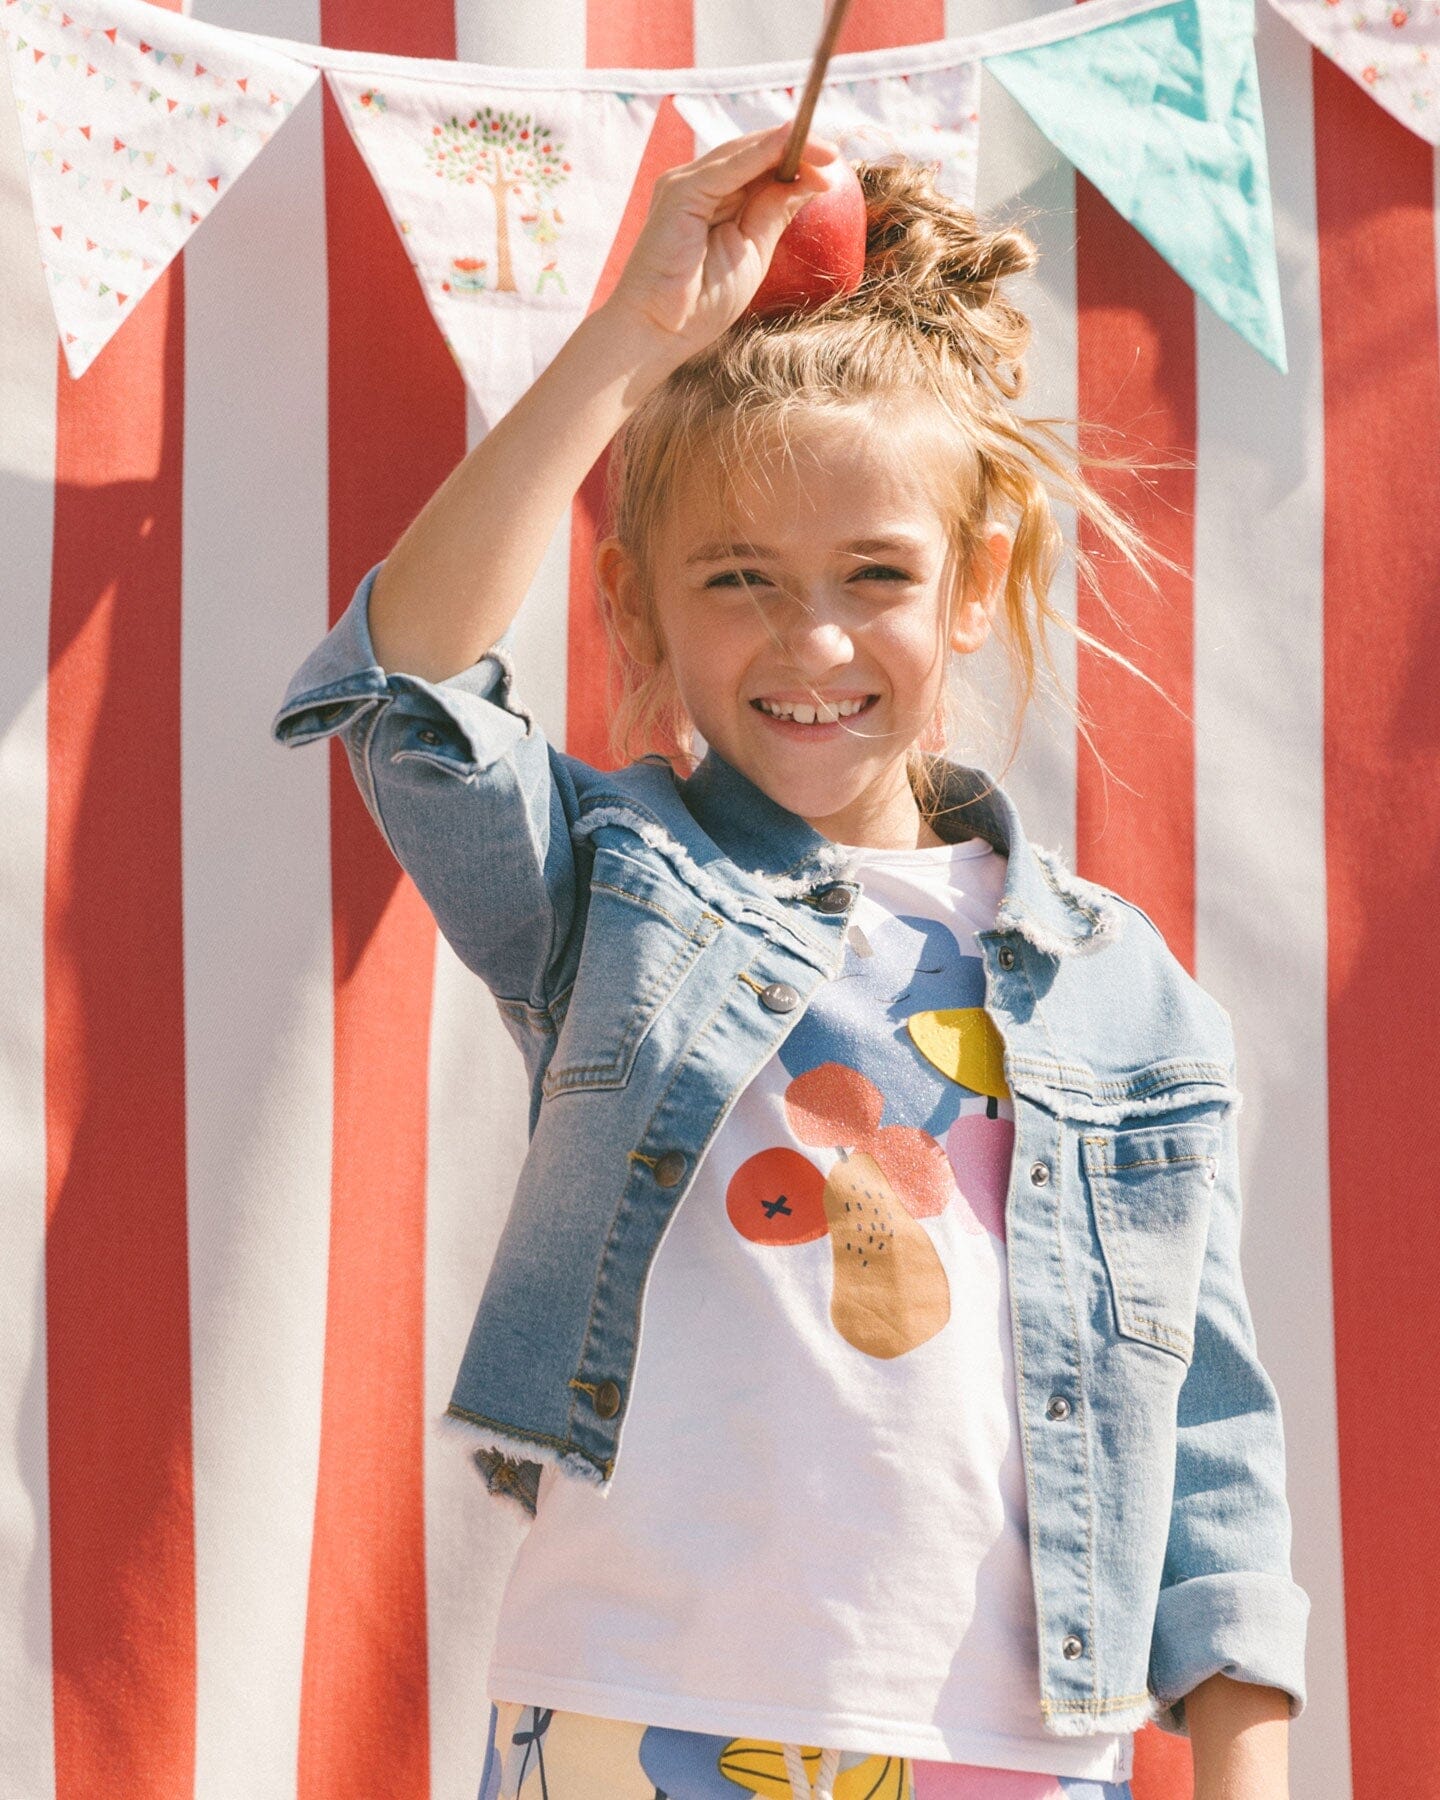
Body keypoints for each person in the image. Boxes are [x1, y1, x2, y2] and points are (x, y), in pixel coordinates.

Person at [271, 124, 1307, 1800]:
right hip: (637, 1703)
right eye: (737, 581)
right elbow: (410, 692)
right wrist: (634, 338)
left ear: (979, 584)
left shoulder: (1130, 994)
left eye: (875, 575)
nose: (810, 642)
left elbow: (1212, 1456)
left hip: (1024, 1749)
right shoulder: (612, 886)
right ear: (638, 599)